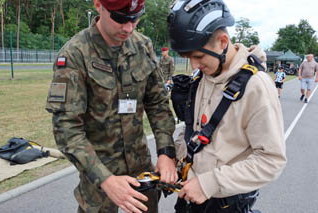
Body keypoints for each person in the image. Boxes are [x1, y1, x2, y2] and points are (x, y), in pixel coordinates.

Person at [45, 0, 178, 212]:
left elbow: (158, 104)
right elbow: (67, 128)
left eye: (135, 18)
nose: (128, 27)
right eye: (120, 19)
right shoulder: (75, 54)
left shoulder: (143, 46)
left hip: (142, 179)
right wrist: (105, 179)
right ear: (99, 6)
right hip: (99, 186)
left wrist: (166, 151)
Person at [167, 0, 287, 212]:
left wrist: (208, 183)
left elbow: (271, 160)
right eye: (187, 58)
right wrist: (172, 158)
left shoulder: (256, 87)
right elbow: (192, 130)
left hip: (225, 203)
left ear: (223, 41)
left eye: (198, 56)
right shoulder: (202, 77)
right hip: (191, 198)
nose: (194, 66)